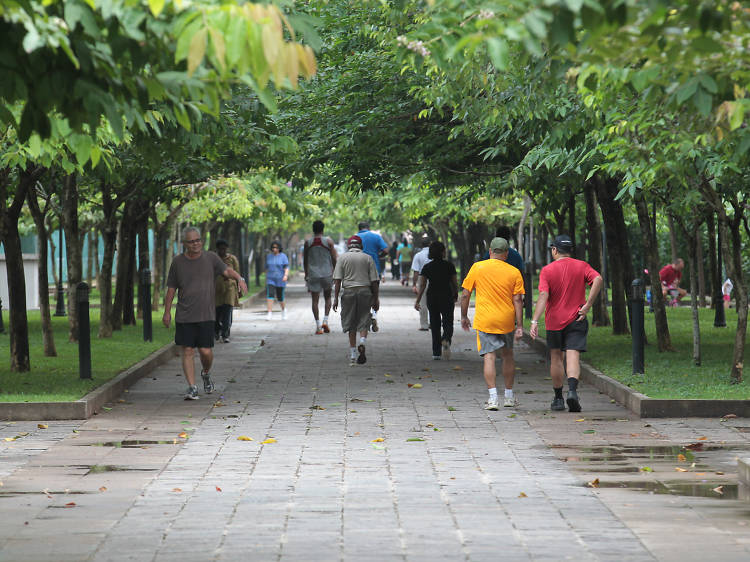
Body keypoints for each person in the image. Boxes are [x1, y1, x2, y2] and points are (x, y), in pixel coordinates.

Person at [163, 227, 247, 400]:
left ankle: (206, 373)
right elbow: (171, 288)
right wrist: (167, 312)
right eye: (191, 241)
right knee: (187, 350)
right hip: (185, 315)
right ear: (184, 244)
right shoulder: (178, 262)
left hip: (206, 315)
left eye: (198, 240)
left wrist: (239, 278)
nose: (196, 244)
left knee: (205, 352)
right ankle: (192, 387)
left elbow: (226, 271)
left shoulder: (210, 258)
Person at [529, 234, 603, 413]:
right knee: (573, 355)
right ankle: (572, 391)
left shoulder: (547, 270)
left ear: (554, 250)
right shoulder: (582, 266)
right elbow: (598, 279)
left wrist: (534, 320)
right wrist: (587, 306)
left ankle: (558, 398)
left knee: (556, 357)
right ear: (570, 250)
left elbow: (544, 295)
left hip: (554, 321)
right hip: (577, 318)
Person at [460, 237, 525, 410]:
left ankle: (493, 398)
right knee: (508, 356)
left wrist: (464, 316)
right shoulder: (514, 272)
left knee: (489, 357)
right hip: (506, 320)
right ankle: (509, 397)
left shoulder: (477, 267)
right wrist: (520, 325)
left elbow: (465, 294)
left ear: (490, 252)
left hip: (485, 320)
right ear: (506, 254)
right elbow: (518, 299)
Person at [332, 235, 380, 365]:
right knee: (364, 319)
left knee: (351, 322)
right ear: (361, 246)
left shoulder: (342, 258)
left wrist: (335, 299)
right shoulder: (368, 258)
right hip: (365, 291)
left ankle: (353, 355)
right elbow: (374, 281)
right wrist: (376, 298)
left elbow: (337, 281)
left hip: (349, 292)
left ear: (349, 246)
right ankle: (362, 342)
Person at [414, 241, 458, 360]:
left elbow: (422, 285)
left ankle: (436, 352)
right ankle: (446, 339)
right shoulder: (449, 265)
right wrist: (456, 293)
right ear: (443, 252)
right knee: (448, 322)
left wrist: (417, 300)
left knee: (435, 323)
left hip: (432, 297)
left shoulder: (427, 267)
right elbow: (454, 282)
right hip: (446, 296)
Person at [303, 220, 337, 334]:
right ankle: (325, 321)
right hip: (327, 273)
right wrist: (336, 272)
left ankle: (318, 326)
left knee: (315, 300)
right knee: (327, 298)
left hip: (313, 274)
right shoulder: (328, 241)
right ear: (323, 229)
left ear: (313, 229)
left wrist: (306, 274)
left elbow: (305, 260)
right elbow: (334, 258)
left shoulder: (308, 242)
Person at [356, 221, 388, 330]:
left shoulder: (355, 238)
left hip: (359, 271)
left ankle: (364, 318)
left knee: (361, 295)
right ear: (368, 228)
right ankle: (374, 315)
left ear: (359, 228)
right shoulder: (376, 236)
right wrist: (378, 256)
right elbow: (385, 250)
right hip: (375, 270)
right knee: (375, 294)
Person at [214, 239, 240, 343]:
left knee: (228, 311)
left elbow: (237, 274)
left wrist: (239, 287)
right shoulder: (213, 259)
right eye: (220, 249)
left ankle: (225, 334)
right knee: (216, 312)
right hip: (216, 290)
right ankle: (216, 331)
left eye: (224, 249)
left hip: (230, 289)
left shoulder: (232, 259)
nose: (222, 251)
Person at [411, 236, 432, 331]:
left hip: (422, 278)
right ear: (430, 244)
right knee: (433, 301)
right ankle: (433, 322)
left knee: (423, 302)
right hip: (434, 279)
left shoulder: (418, 255)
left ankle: (424, 325)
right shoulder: (434, 254)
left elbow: (416, 271)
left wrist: (414, 284)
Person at [265, 241, 289, 320]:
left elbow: (286, 267)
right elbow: (266, 268)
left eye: (276, 247)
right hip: (271, 279)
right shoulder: (269, 256)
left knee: (280, 297)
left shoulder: (283, 256)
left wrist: (285, 275)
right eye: (273, 247)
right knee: (270, 294)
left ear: (279, 248)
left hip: (280, 279)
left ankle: (283, 310)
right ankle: (269, 313)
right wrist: (266, 276)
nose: (274, 249)